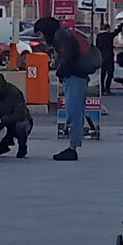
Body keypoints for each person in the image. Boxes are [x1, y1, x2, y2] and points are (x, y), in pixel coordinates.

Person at [34, 15, 91, 161]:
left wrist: (59, 72)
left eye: (40, 34)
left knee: (74, 112)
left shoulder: (61, 37)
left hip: (74, 77)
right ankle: (73, 145)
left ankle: (73, 148)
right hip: (77, 76)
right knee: (75, 111)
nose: (40, 38)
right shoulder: (62, 34)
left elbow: (67, 58)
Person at [0, 72, 32, 158]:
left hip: (14, 121)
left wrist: (3, 120)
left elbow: (20, 115)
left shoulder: (15, 93)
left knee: (21, 125)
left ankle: (22, 146)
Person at [96, 24, 122, 94]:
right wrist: (120, 25)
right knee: (110, 73)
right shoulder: (109, 36)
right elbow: (116, 32)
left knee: (102, 74)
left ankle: (101, 89)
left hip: (101, 57)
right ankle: (107, 88)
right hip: (109, 57)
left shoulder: (98, 37)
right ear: (107, 29)